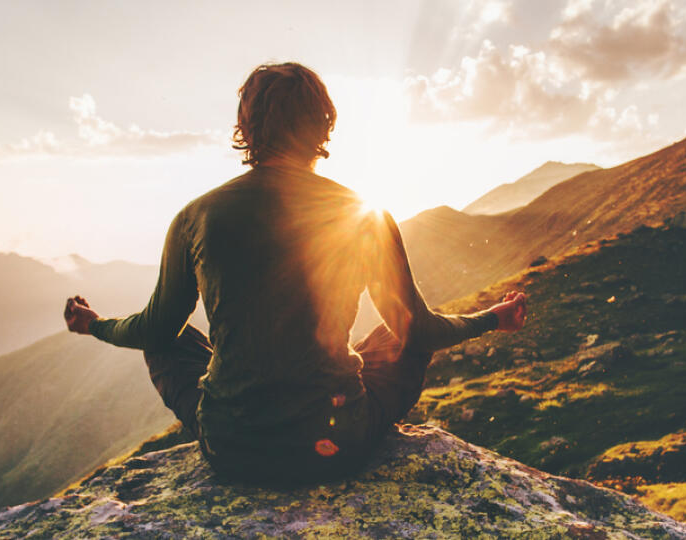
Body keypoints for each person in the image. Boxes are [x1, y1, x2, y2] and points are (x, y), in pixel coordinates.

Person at [65, 62, 527, 485]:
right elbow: (421, 331)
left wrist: (95, 325)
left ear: (246, 128)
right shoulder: (363, 214)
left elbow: (152, 329)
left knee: (171, 337)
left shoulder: (196, 216)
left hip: (232, 449)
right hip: (335, 445)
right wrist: (492, 318)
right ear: (324, 124)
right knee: (398, 336)